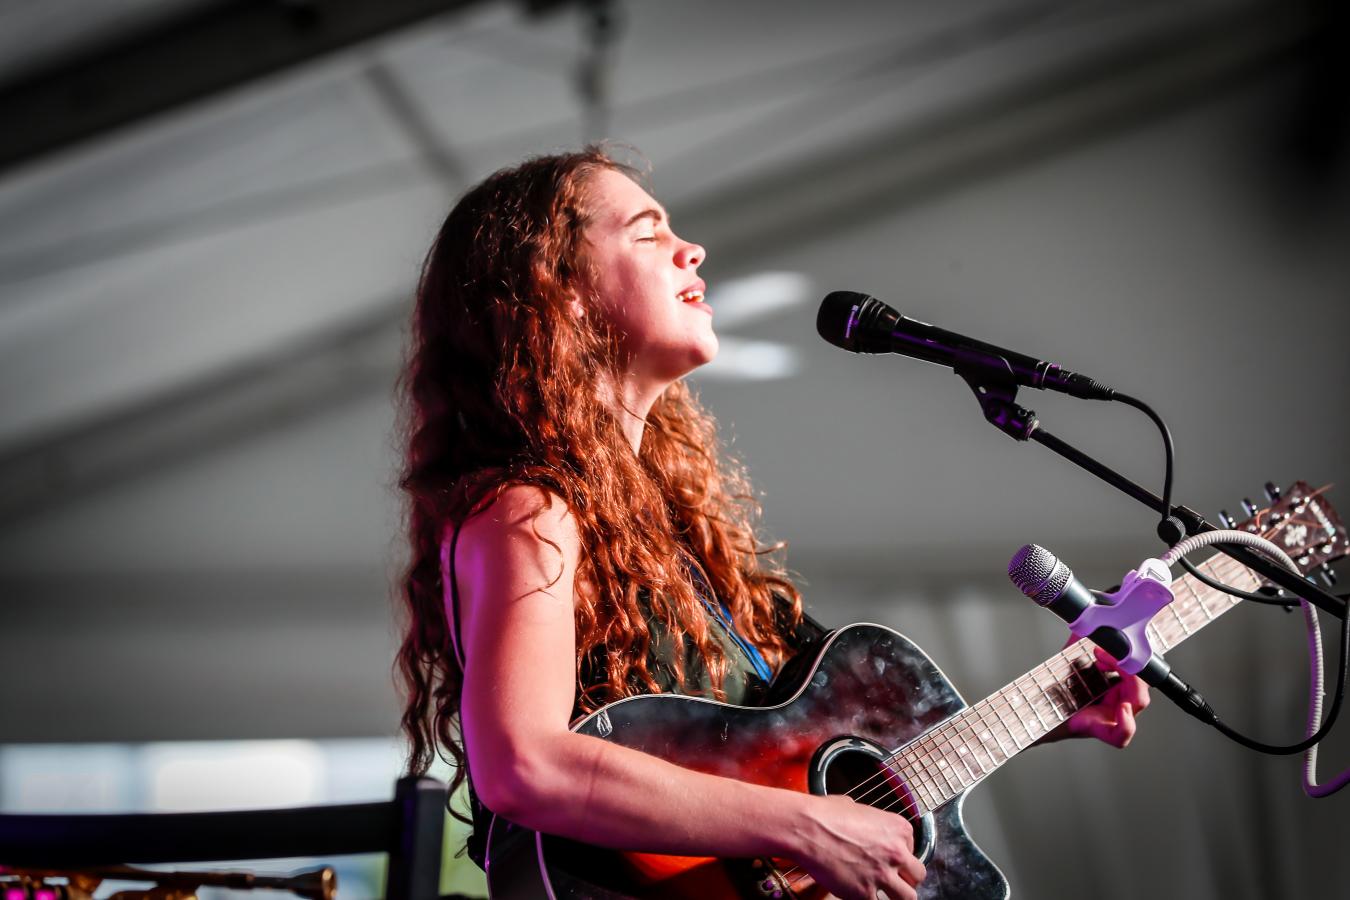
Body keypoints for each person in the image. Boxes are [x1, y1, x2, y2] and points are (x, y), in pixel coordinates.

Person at [394, 147, 1148, 900]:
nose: (693, 250)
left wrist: (1051, 710)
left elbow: (832, 749)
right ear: (559, 294)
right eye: (648, 234)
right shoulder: (530, 510)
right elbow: (522, 765)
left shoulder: (672, 527)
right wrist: (800, 826)